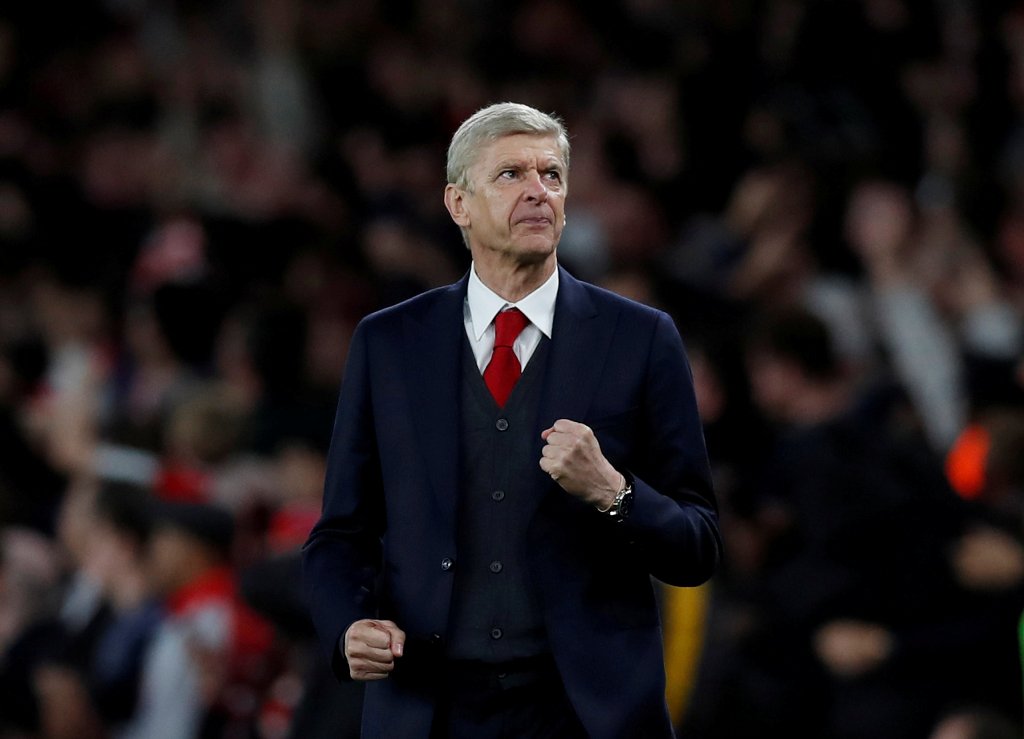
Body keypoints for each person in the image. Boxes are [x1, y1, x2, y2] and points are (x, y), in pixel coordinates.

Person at [302, 102, 721, 739]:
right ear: (458, 204)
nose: (537, 191)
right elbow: (340, 534)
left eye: (551, 175)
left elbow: (698, 546)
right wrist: (347, 627)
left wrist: (614, 492)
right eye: (510, 175)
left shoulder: (640, 338)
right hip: (429, 708)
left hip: (584, 715)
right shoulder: (390, 343)